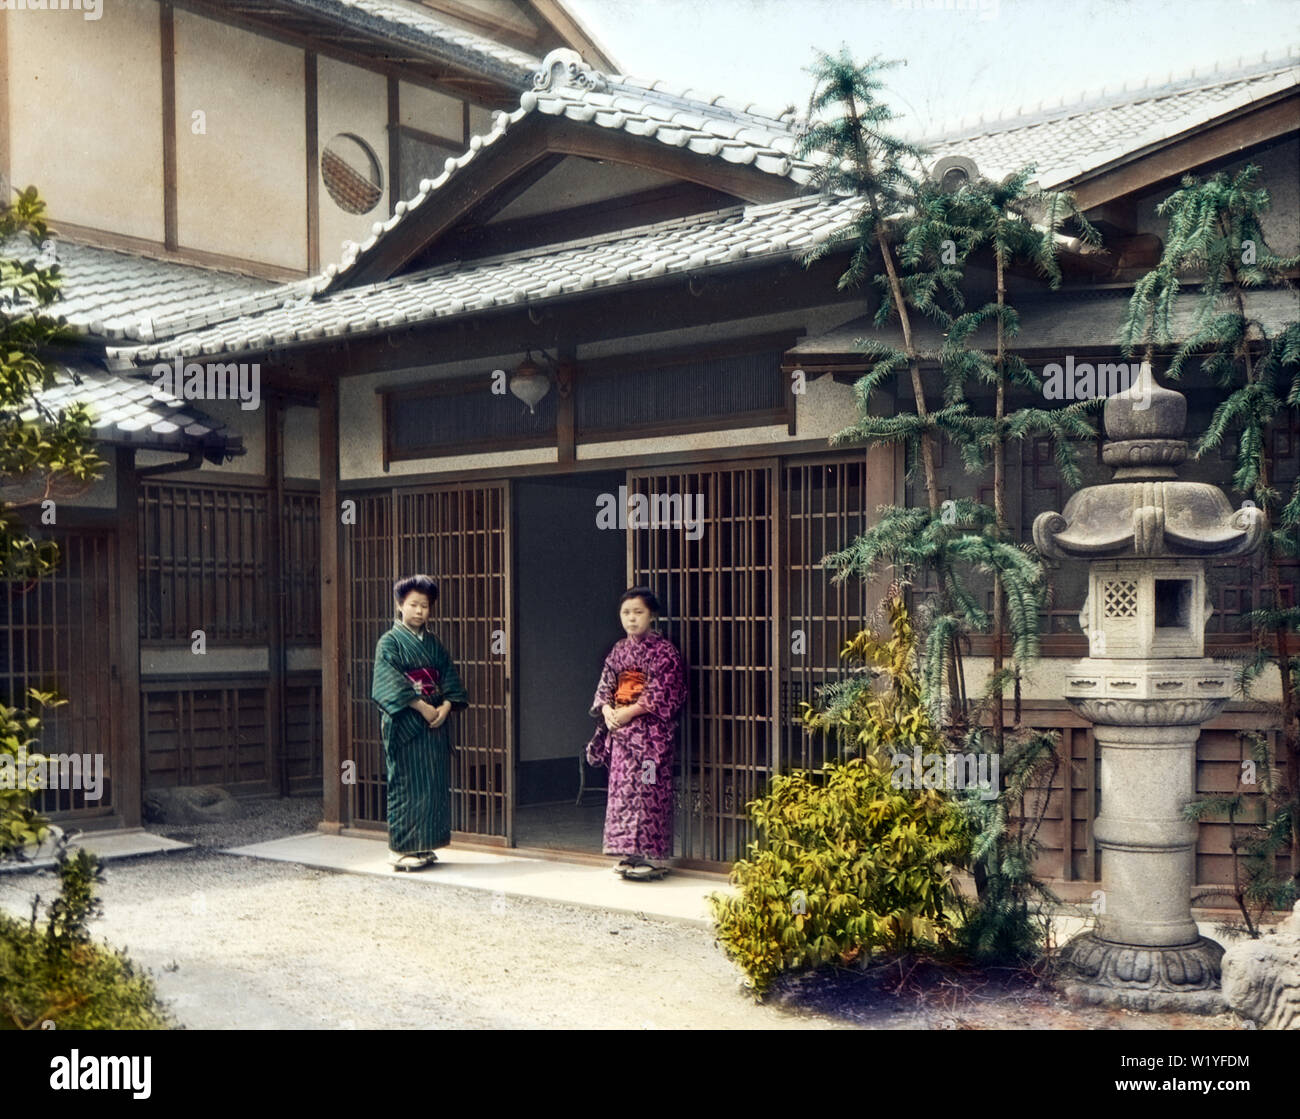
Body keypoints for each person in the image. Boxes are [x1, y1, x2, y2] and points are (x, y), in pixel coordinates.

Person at [585, 587, 686, 880]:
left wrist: (629, 711)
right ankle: (628, 854)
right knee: (622, 793)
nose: (631, 619)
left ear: (652, 615)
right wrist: (606, 710)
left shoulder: (665, 652)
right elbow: (605, 686)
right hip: (621, 733)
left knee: (649, 793)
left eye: (638, 612)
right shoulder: (618, 650)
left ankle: (652, 858)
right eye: (626, 613)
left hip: (650, 736)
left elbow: (664, 692)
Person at [371, 574, 468, 871]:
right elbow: (386, 682)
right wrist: (422, 707)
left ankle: (423, 845)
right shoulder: (389, 642)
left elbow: (449, 677)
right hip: (407, 722)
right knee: (406, 783)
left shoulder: (434, 643)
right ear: (400, 605)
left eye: (425, 606)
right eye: (413, 604)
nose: (419, 611)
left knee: (431, 784)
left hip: (435, 720)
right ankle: (400, 848)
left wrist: (447, 706)